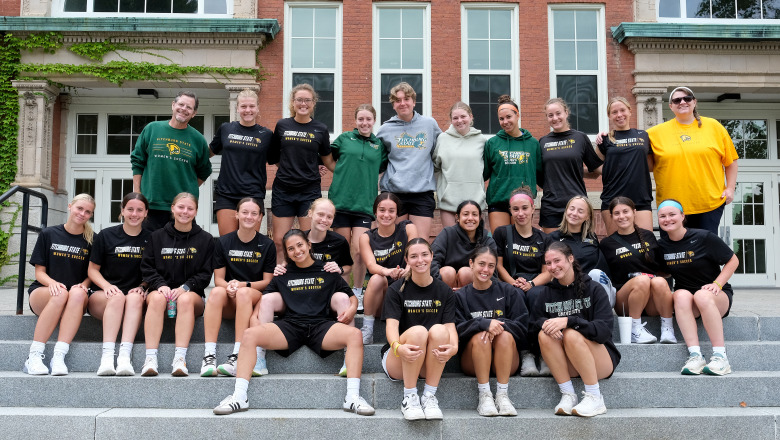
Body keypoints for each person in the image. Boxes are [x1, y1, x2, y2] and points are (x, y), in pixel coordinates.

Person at [213, 229, 374, 416]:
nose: (297, 251)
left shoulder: (326, 269)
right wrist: (255, 321)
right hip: (290, 325)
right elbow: (264, 299)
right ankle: (239, 396)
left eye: (300, 245)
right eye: (291, 248)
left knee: (355, 334)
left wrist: (353, 308)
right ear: (287, 253)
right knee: (249, 334)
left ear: (308, 245)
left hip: (321, 325)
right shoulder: (282, 274)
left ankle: (352, 397)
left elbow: (351, 296)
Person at [267, 198, 354, 376]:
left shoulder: (339, 241)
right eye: (320, 214)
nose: (324, 219)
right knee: (268, 298)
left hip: (327, 296)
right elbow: (286, 264)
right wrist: (279, 268)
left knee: (342, 297)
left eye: (329, 217)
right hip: (300, 297)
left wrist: (339, 268)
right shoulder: (297, 239)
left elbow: (348, 266)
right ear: (310, 214)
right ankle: (260, 354)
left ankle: (349, 356)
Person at [533, 242, 620, 417]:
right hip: (567, 363)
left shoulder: (593, 288)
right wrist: (545, 324)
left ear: (571, 259)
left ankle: (595, 397)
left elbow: (603, 331)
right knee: (544, 334)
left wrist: (569, 321)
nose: (553, 267)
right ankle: (568, 395)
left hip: (600, 362)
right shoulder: (545, 293)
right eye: (548, 263)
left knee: (571, 334)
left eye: (557, 260)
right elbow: (533, 322)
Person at [656, 199, 739, 376]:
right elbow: (664, 272)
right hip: (688, 302)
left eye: (672, 214)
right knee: (679, 295)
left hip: (715, 296)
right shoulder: (661, 246)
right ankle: (695, 355)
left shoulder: (703, 237)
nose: (667, 219)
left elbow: (733, 260)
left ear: (682, 216)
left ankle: (720, 357)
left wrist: (718, 284)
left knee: (702, 295)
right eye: (662, 216)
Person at [382, 238, 458, 421]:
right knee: (419, 332)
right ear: (407, 260)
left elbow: (450, 328)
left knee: (439, 331)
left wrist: (454, 348)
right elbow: (391, 327)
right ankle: (409, 397)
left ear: (432, 256)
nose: (420, 260)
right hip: (399, 357)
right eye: (414, 256)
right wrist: (398, 347)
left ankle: (429, 396)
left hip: (428, 361)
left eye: (424, 254)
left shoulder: (444, 291)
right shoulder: (396, 290)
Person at [140, 192, 215, 377]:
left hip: (192, 295)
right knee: (157, 298)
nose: (185, 212)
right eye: (181, 207)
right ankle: (150, 359)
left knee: (185, 300)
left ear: (196, 211)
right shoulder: (156, 237)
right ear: (172, 208)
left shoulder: (206, 239)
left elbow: (206, 274)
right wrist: (160, 285)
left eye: (190, 208)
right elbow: (147, 267)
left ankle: (180, 359)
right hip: (161, 292)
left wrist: (185, 287)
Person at [200, 197, 275, 378]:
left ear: (260, 218)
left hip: (252, 297)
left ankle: (237, 354)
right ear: (236, 214)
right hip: (230, 297)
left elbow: (267, 282)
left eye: (254, 213)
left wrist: (243, 285)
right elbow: (218, 279)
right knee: (217, 291)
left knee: (243, 293)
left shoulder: (267, 244)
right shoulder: (224, 242)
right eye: (245, 212)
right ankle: (209, 356)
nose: (249, 216)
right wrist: (230, 286)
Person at [648, 87, 739, 234]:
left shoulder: (714, 127)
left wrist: (730, 189)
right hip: (672, 207)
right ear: (670, 106)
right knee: (675, 254)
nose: (682, 102)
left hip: (709, 203)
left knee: (705, 252)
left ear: (694, 102)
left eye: (687, 98)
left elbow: (731, 161)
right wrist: (609, 135)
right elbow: (631, 143)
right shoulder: (654, 133)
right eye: (677, 100)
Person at [23, 194, 95, 376]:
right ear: (70, 206)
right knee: (60, 293)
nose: (82, 214)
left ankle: (59, 357)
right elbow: (39, 272)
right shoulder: (49, 234)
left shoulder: (93, 239)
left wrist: (84, 285)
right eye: (80, 208)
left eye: (88, 212)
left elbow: (92, 273)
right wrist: (53, 283)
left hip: (75, 300)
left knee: (75, 294)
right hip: (45, 292)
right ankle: (34, 356)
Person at [455, 246, 528, 417]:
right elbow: (456, 330)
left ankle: (502, 395)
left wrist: (497, 326)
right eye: (481, 264)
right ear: (471, 263)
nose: (485, 270)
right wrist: (483, 324)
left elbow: (523, 327)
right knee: (482, 337)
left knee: (504, 335)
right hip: (473, 361)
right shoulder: (460, 296)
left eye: (491, 266)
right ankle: (485, 396)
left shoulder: (508, 291)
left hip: (507, 361)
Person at [327, 104, 388, 300]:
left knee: (360, 251)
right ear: (355, 121)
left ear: (374, 121)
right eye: (361, 119)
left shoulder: (378, 145)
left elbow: (382, 167)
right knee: (343, 252)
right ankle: (343, 293)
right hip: (341, 202)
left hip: (365, 205)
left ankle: (358, 292)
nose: (364, 123)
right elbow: (327, 156)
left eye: (368, 119)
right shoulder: (345, 138)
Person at [268, 83, 334, 262]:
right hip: (283, 191)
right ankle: (281, 280)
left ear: (313, 103)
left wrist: (346, 172)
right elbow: (273, 156)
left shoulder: (320, 128)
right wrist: (291, 167)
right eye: (299, 100)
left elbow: (327, 159)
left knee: (309, 240)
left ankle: (308, 280)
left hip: (309, 192)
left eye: (307, 100)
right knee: (280, 241)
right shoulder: (282, 125)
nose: (303, 103)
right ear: (293, 102)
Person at [87, 192, 151, 376]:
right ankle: (107, 357)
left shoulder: (152, 238)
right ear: (122, 210)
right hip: (104, 296)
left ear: (146, 213)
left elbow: (153, 270)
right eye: (130, 209)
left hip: (133, 299)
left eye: (139, 210)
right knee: (117, 297)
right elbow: (92, 270)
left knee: (134, 298)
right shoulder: (106, 235)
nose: (134, 214)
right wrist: (107, 286)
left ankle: (124, 356)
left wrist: (143, 286)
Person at [492, 186, 553, 376]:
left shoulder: (544, 238)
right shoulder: (502, 233)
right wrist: (512, 282)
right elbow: (498, 265)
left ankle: (542, 352)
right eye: (516, 209)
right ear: (510, 211)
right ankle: (525, 353)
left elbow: (547, 272)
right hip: (511, 283)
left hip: (536, 284)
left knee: (536, 295)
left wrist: (532, 284)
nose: (521, 213)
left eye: (525, 208)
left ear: (533, 208)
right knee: (516, 295)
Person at [131, 90, 212, 231]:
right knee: (150, 251)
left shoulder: (198, 139)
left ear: (194, 113)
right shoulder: (152, 129)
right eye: (181, 104)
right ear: (173, 105)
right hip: (151, 206)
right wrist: (138, 196)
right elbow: (138, 162)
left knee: (180, 252)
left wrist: (187, 188)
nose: (184, 109)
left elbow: (205, 170)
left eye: (189, 107)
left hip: (182, 210)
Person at [599, 197, 675, 344]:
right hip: (625, 301)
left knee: (660, 281)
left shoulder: (648, 236)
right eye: (617, 213)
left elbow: (661, 268)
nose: (622, 216)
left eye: (625, 211)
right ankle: (635, 329)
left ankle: (668, 329)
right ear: (611, 217)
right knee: (642, 280)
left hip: (651, 300)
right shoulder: (607, 244)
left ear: (634, 212)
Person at [377, 82, 442, 242]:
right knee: (396, 243)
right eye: (397, 100)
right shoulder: (385, 129)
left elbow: (442, 150)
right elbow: (377, 158)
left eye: (406, 99)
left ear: (414, 101)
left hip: (422, 192)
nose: (402, 103)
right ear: (393, 105)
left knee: (420, 242)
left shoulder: (429, 124)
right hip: (394, 192)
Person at [209, 89, 273, 236]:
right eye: (243, 106)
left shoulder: (267, 135)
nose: (247, 110)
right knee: (227, 243)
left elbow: (278, 161)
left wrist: (315, 166)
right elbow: (208, 153)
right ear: (237, 108)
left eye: (251, 106)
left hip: (253, 194)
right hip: (226, 195)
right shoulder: (226, 128)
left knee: (249, 245)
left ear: (257, 108)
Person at [359, 192, 418, 344]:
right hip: (382, 297)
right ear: (375, 212)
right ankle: (367, 329)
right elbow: (371, 266)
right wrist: (388, 272)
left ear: (397, 213)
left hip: (405, 291)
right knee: (377, 278)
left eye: (391, 211)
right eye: (382, 210)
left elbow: (416, 253)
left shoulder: (407, 228)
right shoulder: (367, 237)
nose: (386, 214)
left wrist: (409, 269)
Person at [538, 98, 603, 233]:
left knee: (578, 250)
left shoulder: (580, 138)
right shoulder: (542, 142)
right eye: (550, 115)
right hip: (551, 206)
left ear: (566, 113)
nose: (555, 118)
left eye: (558, 113)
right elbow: (541, 175)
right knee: (554, 250)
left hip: (576, 205)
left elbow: (596, 170)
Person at [594, 97, 654, 234]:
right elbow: (595, 166)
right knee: (618, 248)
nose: (619, 115)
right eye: (614, 112)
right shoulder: (604, 139)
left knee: (646, 245)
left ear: (630, 111)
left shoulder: (643, 135)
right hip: (613, 198)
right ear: (609, 116)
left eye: (622, 110)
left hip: (640, 197)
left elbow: (650, 165)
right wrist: (613, 170)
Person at [483, 95, 542, 232]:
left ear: (518, 115)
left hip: (523, 203)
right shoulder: (492, 143)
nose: (505, 122)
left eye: (509, 117)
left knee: (520, 245)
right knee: (500, 244)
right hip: (499, 201)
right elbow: (484, 173)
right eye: (501, 119)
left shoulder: (532, 143)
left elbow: (540, 174)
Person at [549, 196, 615, 307]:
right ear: (566, 211)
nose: (574, 213)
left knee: (596, 274)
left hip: (598, 291)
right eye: (572, 209)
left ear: (587, 216)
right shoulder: (553, 238)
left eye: (580, 211)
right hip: (569, 292)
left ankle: (602, 318)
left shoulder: (592, 237)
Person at [432, 101, 487, 228]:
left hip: (475, 202)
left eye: (463, 116)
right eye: (455, 118)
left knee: (475, 246)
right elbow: (436, 166)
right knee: (452, 243)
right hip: (449, 202)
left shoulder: (482, 140)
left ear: (471, 117)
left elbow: (486, 168)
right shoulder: (442, 138)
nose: (459, 121)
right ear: (451, 120)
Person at [430, 200, 496, 289]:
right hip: (445, 285)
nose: (470, 218)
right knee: (447, 271)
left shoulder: (487, 241)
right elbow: (432, 260)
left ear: (480, 218)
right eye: (465, 214)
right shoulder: (447, 233)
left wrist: (467, 291)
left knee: (466, 272)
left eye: (474, 214)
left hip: (473, 289)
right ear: (457, 217)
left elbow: (493, 272)